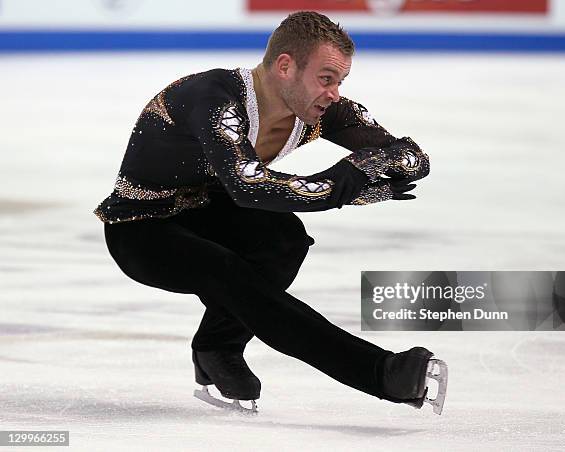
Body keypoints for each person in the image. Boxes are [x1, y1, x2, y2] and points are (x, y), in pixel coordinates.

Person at [95, 11, 446, 414]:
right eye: (326, 78)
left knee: (283, 239)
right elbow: (250, 186)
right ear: (285, 67)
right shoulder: (213, 98)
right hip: (142, 229)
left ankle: (217, 347)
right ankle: (381, 372)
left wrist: (358, 178)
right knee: (227, 270)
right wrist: (347, 184)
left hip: (211, 214)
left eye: (340, 82)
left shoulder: (320, 108)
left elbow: (413, 157)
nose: (334, 93)